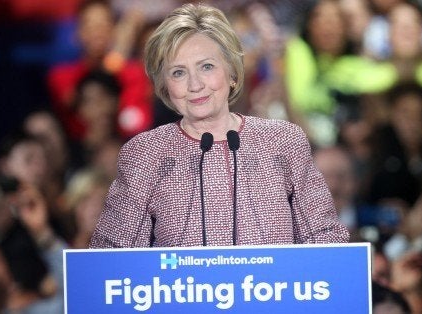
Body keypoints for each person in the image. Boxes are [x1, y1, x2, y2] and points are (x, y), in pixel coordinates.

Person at [89, 3, 348, 248]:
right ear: (164, 86)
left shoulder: (282, 141)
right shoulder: (146, 154)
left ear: (232, 73)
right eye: (178, 72)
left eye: (207, 67)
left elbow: (327, 241)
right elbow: (109, 258)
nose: (195, 85)